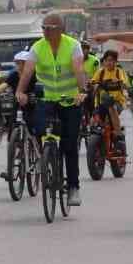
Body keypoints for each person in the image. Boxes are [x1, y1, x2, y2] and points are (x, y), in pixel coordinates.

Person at [16, 14, 91, 205]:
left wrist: (82, 91)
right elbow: (27, 71)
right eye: (44, 28)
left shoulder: (72, 45)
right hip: (48, 98)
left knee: (69, 144)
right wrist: (20, 91)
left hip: (69, 100)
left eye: (50, 28)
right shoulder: (37, 47)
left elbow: (78, 70)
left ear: (61, 29)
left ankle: (73, 187)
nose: (46, 31)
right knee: (40, 129)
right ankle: (48, 157)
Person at [88, 49, 131, 136]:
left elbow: (125, 84)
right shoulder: (101, 72)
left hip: (117, 102)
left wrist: (119, 83)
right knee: (93, 121)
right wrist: (92, 84)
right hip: (101, 102)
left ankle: (118, 133)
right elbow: (93, 82)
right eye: (106, 60)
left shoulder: (119, 72)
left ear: (115, 61)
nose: (108, 62)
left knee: (111, 109)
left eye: (111, 60)